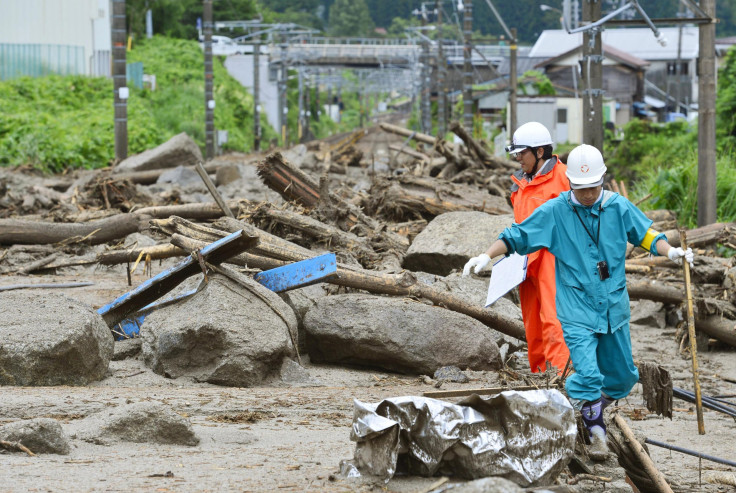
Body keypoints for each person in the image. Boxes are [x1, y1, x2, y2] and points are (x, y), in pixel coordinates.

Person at [463, 144, 694, 460]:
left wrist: (672, 252)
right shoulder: (555, 211)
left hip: (613, 307)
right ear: (570, 182)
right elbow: (517, 235)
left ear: (603, 181)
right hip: (576, 308)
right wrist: (485, 256)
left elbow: (647, 235)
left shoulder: (617, 207)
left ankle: (585, 408)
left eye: (593, 187)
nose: (587, 194)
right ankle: (596, 433)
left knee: (624, 377)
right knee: (587, 374)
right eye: (580, 187)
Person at [464, 121, 570, 375]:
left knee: (555, 321)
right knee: (533, 323)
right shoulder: (520, 183)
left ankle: (561, 379)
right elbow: (520, 226)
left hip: (555, 260)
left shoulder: (564, 178)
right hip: (525, 261)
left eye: (522, 153)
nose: (518, 159)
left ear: (540, 152)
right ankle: (540, 374)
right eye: (516, 154)